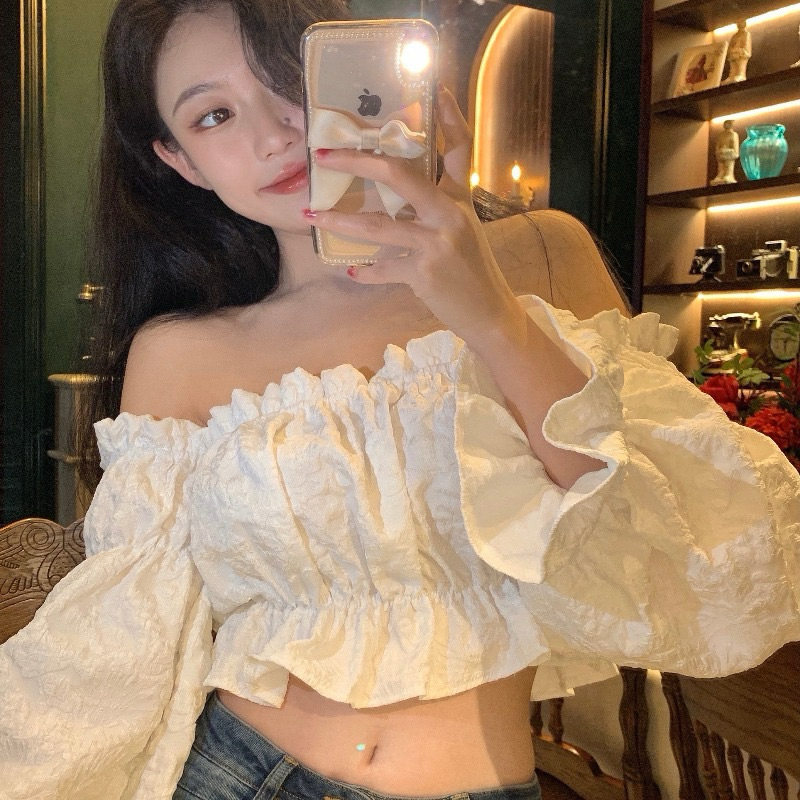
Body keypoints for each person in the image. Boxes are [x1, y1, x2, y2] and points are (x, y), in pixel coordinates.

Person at [1, 1, 799, 798]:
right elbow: (133, 636)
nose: (273, 134)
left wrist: (489, 313)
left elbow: (660, 546)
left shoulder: (540, 260)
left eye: (289, 79)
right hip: (235, 774)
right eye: (214, 115)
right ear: (181, 161)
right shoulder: (179, 353)